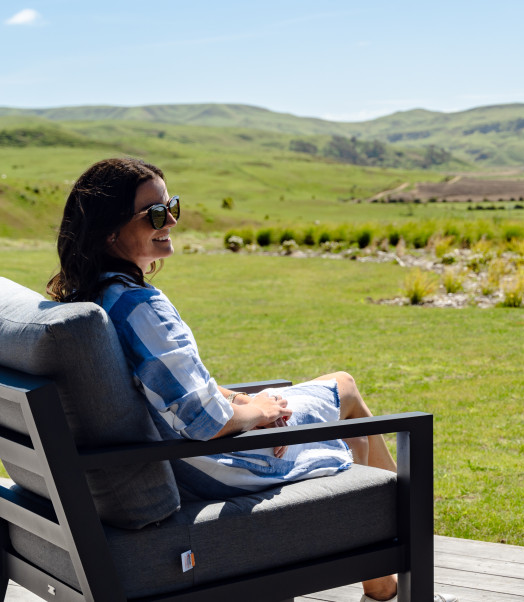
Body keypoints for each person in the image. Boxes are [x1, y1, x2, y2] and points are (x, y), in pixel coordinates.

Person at [49, 157, 456, 602]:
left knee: (330, 404)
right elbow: (206, 422)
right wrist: (259, 412)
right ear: (110, 231)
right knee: (346, 389)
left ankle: (382, 583)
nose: (170, 222)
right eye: (156, 214)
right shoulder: (139, 309)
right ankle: (387, 583)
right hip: (224, 464)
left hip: (192, 455)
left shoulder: (91, 301)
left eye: (173, 208)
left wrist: (247, 403)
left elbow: (176, 388)